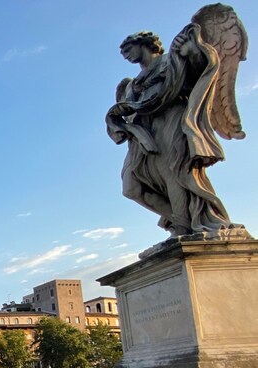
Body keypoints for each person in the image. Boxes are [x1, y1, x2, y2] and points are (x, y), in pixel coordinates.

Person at [106, 6, 248, 236]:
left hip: (172, 121)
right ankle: (179, 219)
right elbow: (129, 111)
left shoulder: (171, 61)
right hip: (145, 135)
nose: (126, 55)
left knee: (175, 172)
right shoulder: (131, 83)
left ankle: (184, 227)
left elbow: (199, 78)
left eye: (128, 49)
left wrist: (192, 51)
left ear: (144, 43)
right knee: (131, 187)